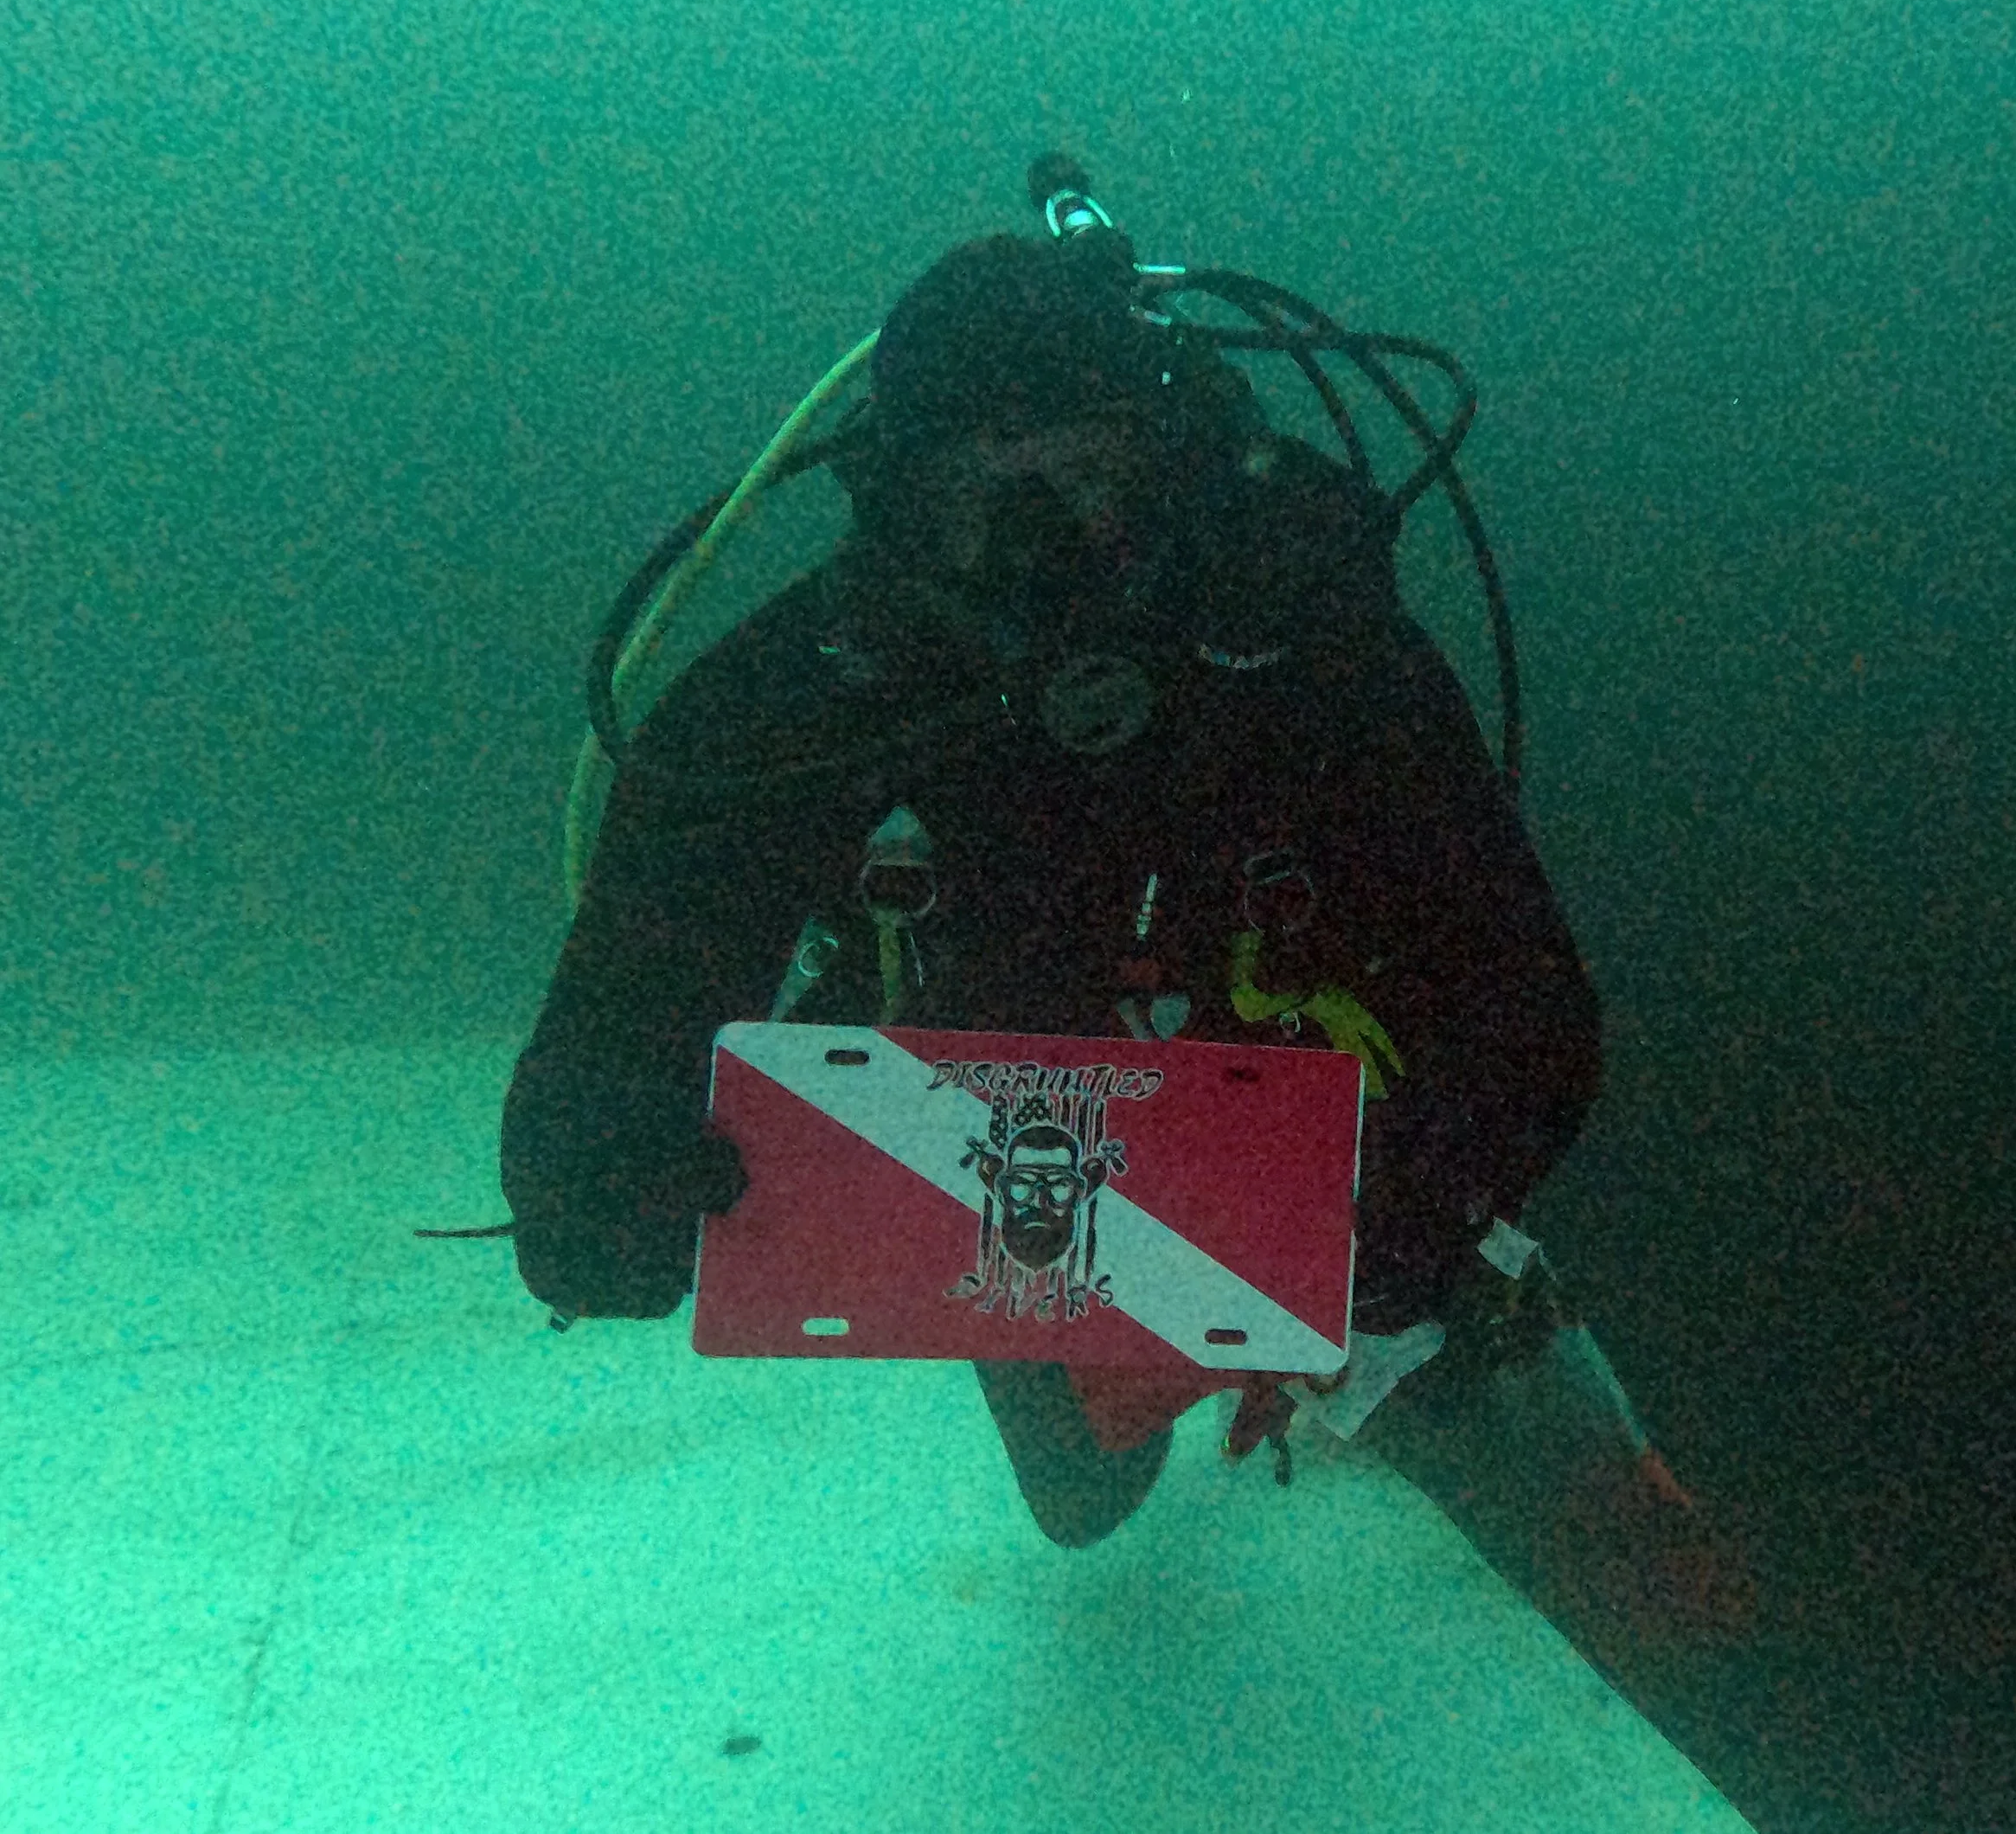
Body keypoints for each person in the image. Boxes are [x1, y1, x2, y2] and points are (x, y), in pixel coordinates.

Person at [497, 160, 1604, 1550]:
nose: (1038, 550)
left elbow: (1536, 1003)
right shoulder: (811, 690)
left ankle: (1384, 1350)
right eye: (978, 495)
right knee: (1083, 1503)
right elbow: (611, 1026)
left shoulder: (1298, 624)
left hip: (1314, 1108)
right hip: (1008, 1140)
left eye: (1082, 480)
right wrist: (591, 1172)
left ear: (1162, 468)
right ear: (897, 505)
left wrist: (1429, 1188)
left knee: (1476, 1409)